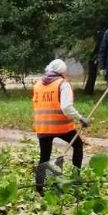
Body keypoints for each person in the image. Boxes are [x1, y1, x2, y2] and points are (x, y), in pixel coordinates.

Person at [33, 59, 90, 193]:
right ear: (62, 72)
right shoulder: (63, 84)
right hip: (61, 126)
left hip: (43, 127)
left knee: (44, 156)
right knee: (77, 145)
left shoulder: (38, 84)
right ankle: (76, 178)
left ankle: (39, 187)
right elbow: (66, 107)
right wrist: (81, 118)